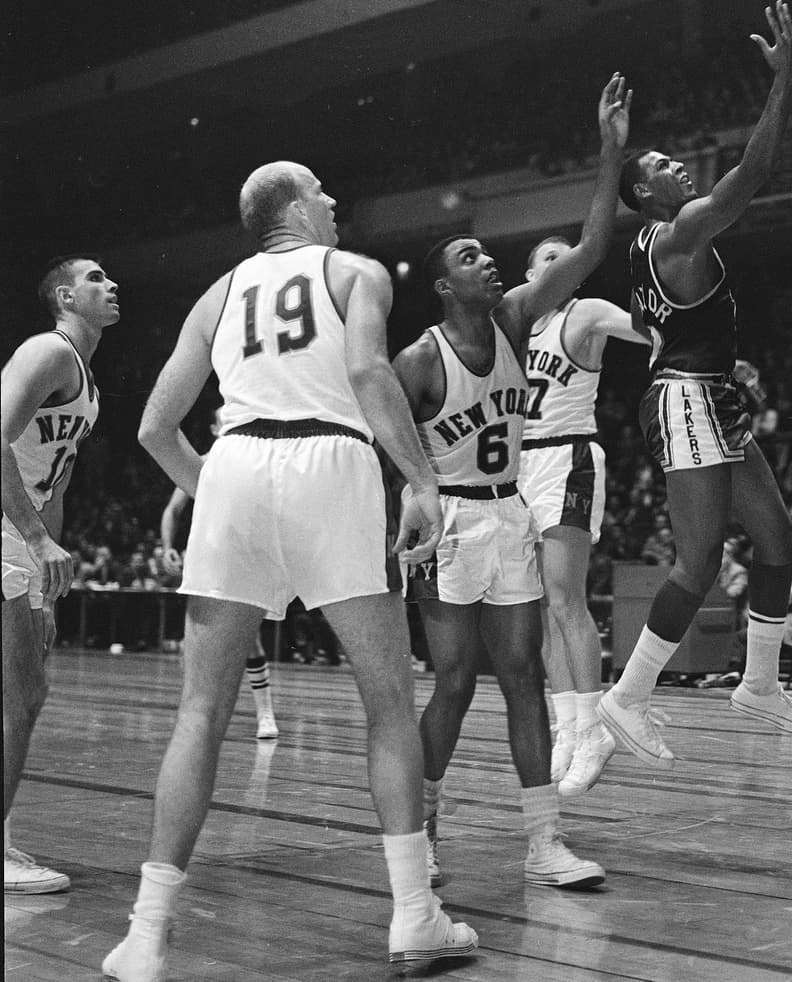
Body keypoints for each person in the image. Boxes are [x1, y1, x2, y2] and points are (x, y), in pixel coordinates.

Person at [103, 163, 476, 981]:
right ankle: (415, 917)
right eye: (324, 192)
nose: (338, 202)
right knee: (385, 702)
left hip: (236, 460)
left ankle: (145, 933)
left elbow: (156, 428)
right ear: (298, 207)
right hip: (331, 462)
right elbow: (372, 376)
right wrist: (420, 480)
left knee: (200, 711)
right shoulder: (355, 273)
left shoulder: (219, 292)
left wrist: (219, 497)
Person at [393, 75, 630, 889]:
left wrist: (609, 151)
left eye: (486, 255)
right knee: (455, 681)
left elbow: (593, 251)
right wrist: (409, 505)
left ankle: (544, 842)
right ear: (442, 287)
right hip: (451, 524)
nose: (485, 261)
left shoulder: (516, 320)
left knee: (525, 675)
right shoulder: (418, 361)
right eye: (469, 258)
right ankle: (421, 830)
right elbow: (385, 445)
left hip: (512, 514)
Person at [600, 1, 792, 770]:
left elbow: (663, 325)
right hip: (687, 399)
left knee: (777, 539)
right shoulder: (682, 229)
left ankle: (760, 683)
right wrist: (786, 75)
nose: (676, 165)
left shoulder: (644, 249)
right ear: (647, 196)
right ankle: (626, 696)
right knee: (696, 565)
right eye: (659, 165)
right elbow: (756, 171)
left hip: (705, 394)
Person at [517, 233, 649, 799]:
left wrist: (711, 356)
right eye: (549, 257)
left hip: (568, 455)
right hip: (517, 468)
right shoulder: (514, 327)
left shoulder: (588, 312)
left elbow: (649, 331)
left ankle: (592, 730)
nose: (561, 263)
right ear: (529, 273)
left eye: (568, 257)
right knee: (541, 608)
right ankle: (566, 729)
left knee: (567, 598)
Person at [3, 255, 117, 894]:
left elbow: (56, 477)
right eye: (97, 278)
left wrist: (50, 556)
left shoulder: (88, 383)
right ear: (66, 296)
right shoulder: (47, 352)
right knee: (22, 696)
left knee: (17, 695)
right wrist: (36, 537)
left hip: (20, 537)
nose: (112, 284)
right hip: (6, 529)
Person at [160, 478, 278, 740]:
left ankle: (265, 713)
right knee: (198, 637)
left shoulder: (251, 452)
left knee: (250, 636)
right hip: (205, 555)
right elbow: (172, 510)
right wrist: (167, 547)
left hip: (242, 551)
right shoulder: (202, 460)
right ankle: (196, 714)